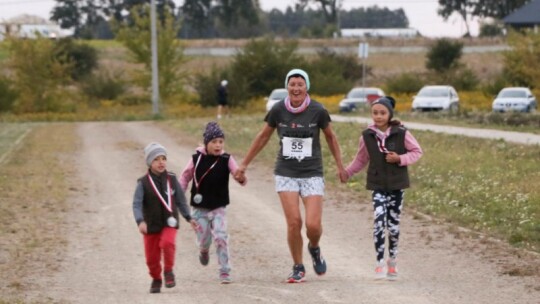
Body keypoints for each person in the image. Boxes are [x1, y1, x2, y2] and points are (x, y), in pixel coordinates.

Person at [234, 68, 346, 283]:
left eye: (300, 84)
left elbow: (331, 137)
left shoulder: (318, 111)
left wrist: (340, 166)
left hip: (312, 172)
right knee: (294, 222)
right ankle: (298, 266)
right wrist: (244, 164)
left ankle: (314, 248)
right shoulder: (278, 110)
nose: (296, 88)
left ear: (306, 87)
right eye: (292, 84)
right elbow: (262, 137)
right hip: (286, 172)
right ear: (287, 87)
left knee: (312, 226)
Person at [340, 97, 423, 280]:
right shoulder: (367, 136)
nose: (378, 116)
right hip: (377, 185)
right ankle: (379, 263)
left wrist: (400, 159)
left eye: (382, 113)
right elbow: (361, 159)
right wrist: (347, 173)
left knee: (393, 227)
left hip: (396, 185)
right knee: (379, 222)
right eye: (375, 113)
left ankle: (392, 262)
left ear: (390, 114)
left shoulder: (401, 133)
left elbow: (417, 151)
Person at [180, 121, 246, 284]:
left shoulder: (226, 159)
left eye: (221, 142)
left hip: (218, 207)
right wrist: (179, 194)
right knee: (204, 239)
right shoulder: (195, 159)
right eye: (214, 142)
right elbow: (185, 176)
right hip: (199, 208)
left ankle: (224, 270)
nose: (218, 145)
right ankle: (203, 250)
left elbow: (238, 174)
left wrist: (241, 178)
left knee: (221, 237)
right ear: (206, 143)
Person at [132, 142, 199, 294]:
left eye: (163, 158)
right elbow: (136, 204)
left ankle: (168, 271)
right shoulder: (142, 183)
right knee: (151, 259)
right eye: (156, 159)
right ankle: (156, 278)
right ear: (149, 162)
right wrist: (140, 221)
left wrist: (189, 217)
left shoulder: (172, 178)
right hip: (151, 226)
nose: (161, 162)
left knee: (168, 243)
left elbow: (181, 201)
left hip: (170, 222)